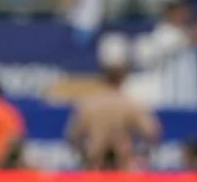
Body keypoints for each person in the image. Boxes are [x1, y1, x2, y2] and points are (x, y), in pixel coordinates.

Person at [66, 34, 161, 170]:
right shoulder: (129, 103)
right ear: (124, 72)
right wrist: (139, 156)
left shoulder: (89, 104)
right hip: (120, 171)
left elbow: (73, 137)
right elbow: (152, 133)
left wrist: (85, 157)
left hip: (95, 169)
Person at [131, 0, 197, 109]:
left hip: (187, 98)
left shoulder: (179, 32)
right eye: (180, 11)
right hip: (172, 101)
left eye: (185, 10)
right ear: (170, 13)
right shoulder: (165, 33)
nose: (185, 14)